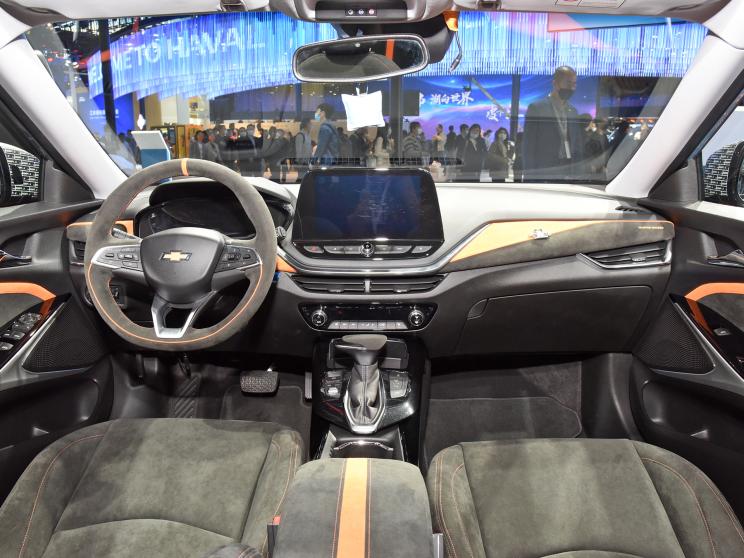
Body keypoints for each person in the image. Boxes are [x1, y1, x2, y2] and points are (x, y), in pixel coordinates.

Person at [522, 66, 585, 180]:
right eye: (568, 83)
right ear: (555, 83)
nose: (572, 88)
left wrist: (579, 174)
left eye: (574, 84)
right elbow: (528, 147)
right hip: (545, 171)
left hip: (568, 170)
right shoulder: (537, 108)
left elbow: (577, 144)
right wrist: (529, 178)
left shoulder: (573, 111)